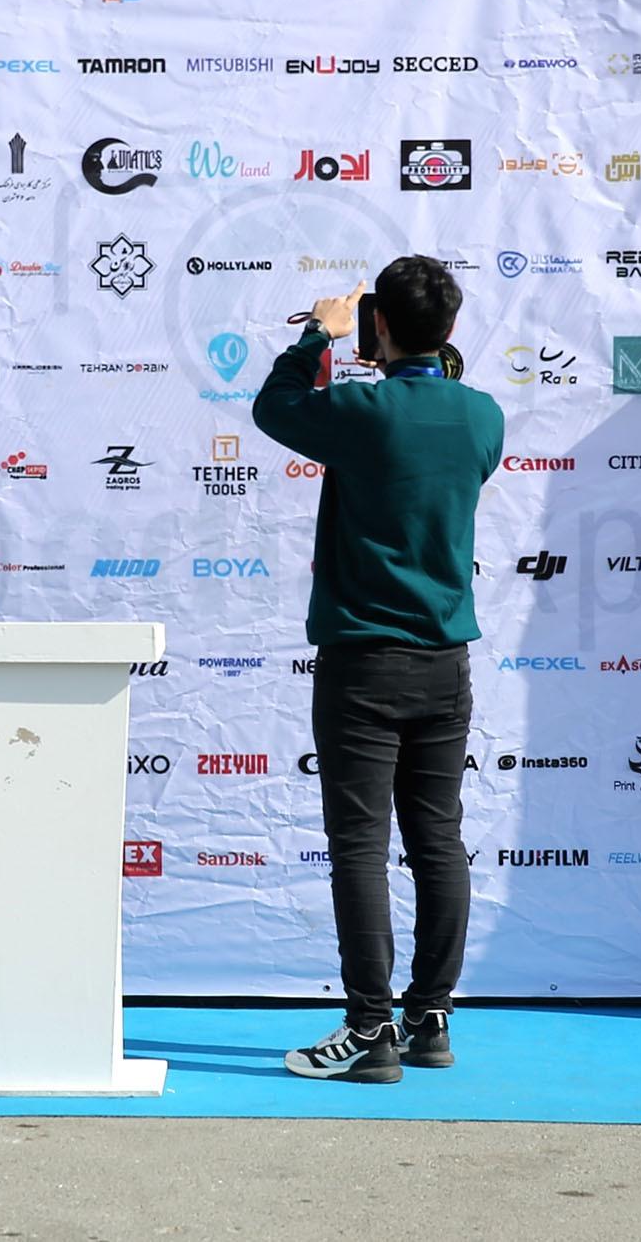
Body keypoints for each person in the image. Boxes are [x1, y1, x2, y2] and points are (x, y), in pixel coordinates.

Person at [253, 256, 504, 1082]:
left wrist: (318, 336)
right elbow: (436, 418)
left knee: (360, 847)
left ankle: (370, 1029)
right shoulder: (482, 415)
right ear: (452, 328)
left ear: (380, 325)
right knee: (439, 840)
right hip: (444, 663)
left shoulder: (361, 409)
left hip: (362, 663)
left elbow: (275, 407)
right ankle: (429, 1017)